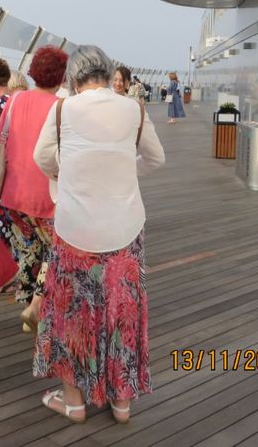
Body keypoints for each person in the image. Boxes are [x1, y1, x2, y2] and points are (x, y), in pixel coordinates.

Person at [32, 44, 165, 424]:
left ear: (73, 77)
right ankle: (121, 402)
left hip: (74, 230)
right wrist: (120, 169)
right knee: (123, 312)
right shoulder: (133, 109)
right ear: (108, 75)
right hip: (125, 230)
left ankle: (74, 402)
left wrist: (71, 170)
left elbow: (41, 158)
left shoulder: (63, 109)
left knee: (71, 314)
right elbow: (156, 159)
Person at [0, 45, 68, 332]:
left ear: (33, 71)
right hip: (47, 198)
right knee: (57, 250)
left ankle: (28, 304)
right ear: (62, 76)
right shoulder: (61, 107)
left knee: (30, 248)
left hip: (13, 195)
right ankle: (37, 306)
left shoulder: (14, 100)